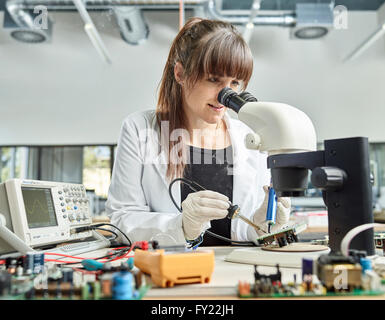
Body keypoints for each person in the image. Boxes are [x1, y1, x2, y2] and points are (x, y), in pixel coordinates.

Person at [105, 17, 291, 247]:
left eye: (234, 83)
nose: (226, 96)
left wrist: (260, 225)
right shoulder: (139, 128)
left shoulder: (251, 138)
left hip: (234, 272)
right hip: (169, 274)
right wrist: (181, 226)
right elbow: (122, 219)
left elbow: (244, 230)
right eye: (214, 79)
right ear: (180, 74)